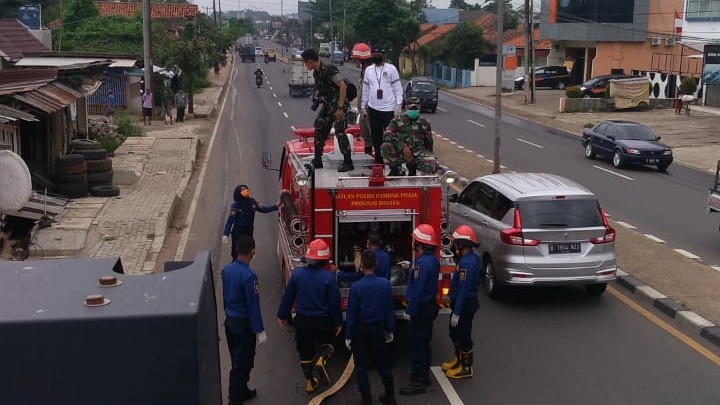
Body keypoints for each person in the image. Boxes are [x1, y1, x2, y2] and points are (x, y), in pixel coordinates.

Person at [277, 238, 343, 394]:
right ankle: (321, 359)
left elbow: (288, 296)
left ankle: (309, 382)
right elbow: (334, 303)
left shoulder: (297, 274)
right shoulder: (328, 278)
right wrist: (338, 322)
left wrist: (282, 315)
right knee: (329, 343)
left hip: (302, 321)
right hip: (323, 321)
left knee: (305, 352)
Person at [345, 250, 397, 405]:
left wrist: (348, 335)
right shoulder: (385, 285)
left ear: (361, 265)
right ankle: (390, 396)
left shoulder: (356, 287)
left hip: (360, 331)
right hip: (377, 329)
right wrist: (390, 329)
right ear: (377, 264)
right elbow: (389, 310)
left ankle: (366, 400)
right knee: (384, 364)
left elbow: (351, 314)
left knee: (361, 367)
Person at [221, 236, 267, 405]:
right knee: (242, 362)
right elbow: (253, 306)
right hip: (243, 325)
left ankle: (242, 390)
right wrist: (260, 330)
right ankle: (234, 398)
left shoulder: (226, 270)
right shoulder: (249, 276)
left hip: (230, 322)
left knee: (237, 358)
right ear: (253, 252)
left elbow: (225, 297)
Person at [399, 223, 440, 396]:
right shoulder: (430, 261)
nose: (412, 242)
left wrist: (410, 310)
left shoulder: (421, 265)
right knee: (425, 344)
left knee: (416, 346)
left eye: (414, 240)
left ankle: (417, 383)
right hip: (429, 307)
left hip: (421, 310)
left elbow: (417, 289)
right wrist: (411, 268)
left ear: (420, 243)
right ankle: (424, 376)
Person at [300, 48, 354, 172]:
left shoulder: (330, 70)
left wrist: (340, 107)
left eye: (305, 62)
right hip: (328, 105)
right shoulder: (316, 73)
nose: (305, 65)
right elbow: (320, 89)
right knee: (319, 126)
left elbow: (343, 86)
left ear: (310, 61)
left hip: (338, 105)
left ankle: (348, 162)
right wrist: (316, 96)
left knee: (340, 132)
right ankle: (318, 159)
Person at [441, 225, 481, 379]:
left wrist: (457, 312)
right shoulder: (466, 259)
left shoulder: (468, 264)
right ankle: (457, 360)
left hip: (464, 305)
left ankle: (466, 368)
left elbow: (464, 290)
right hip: (460, 303)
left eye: (456, 243)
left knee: (464, 336)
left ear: (462, 244)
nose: (454, 245)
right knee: (455, 333)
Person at [360, 45, 404, 164]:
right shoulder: (369, 70)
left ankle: (394, 163)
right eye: (374, 54)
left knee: (391, 136)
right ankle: (378, 159)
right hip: (373, 108)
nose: (376, 56)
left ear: (383, 55)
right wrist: (363, 106)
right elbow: (365, 90)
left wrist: (398, 105)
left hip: (389, 109)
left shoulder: (391, 69)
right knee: (376, 136)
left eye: (379, 54)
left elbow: (397, 88)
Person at [381, 97, 438, 176]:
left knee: (433, 165)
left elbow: (429, 142)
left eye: (416, 107)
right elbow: (387, 135)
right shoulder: (397, 120)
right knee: (385, 146)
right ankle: (395, 169)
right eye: (411, 107)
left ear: (420, 107)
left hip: (418, 153)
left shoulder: (424, 122)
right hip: (401, 153)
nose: (413, 109)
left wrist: (429, 156)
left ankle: (413, 166)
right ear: (406, 107)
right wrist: (403, 146)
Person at [222, 184, 279, 261]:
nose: (246, 191)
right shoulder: (236, 206)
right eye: (243, 190)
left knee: (248, 249)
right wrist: (226, 234)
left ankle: (247, 260)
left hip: (248, 230)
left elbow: (264, 209)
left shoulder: (252, 202)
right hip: (238, 231)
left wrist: (276, 206)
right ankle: (235, 264)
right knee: (236, 251)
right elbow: (230, 220)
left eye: (246, 189)